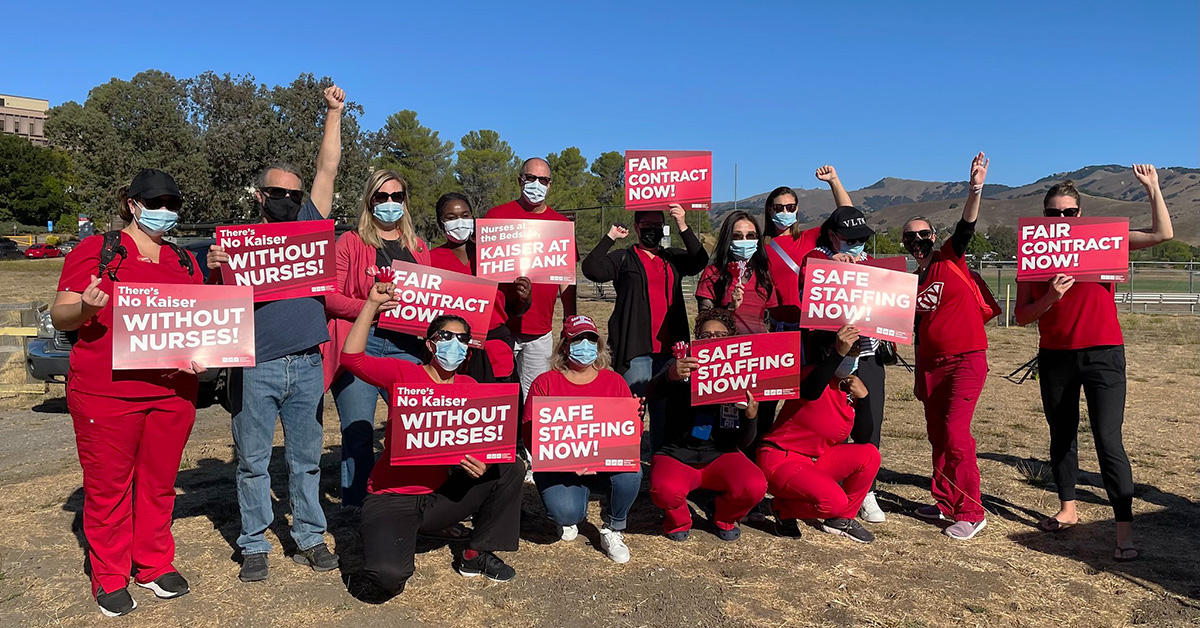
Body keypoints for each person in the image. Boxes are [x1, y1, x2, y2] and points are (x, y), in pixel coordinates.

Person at [206, 85, 345, 583]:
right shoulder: (236, 245)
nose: (286, 199)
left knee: (306, 460)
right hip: (254, 366)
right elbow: (210, 310)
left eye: (293, 192)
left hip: (307, 364)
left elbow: (326, 168)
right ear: (260, 196)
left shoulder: (310, 224)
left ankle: (309, 537)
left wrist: (333, 114)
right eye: (277, 193)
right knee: (252, 462)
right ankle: (253, 544)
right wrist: (214, 266)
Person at [52, 169, 203, 616]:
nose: (164, 211)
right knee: (109, 489)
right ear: (132, 204)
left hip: (173, 394)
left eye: (172, 204)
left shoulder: (184, 261)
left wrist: (207, 353)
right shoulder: (97, 251)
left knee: (159, 486)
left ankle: (153, 564)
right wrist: (84, 306)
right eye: (154, 202)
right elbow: (62, 316)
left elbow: (198, 325)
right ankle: (110, 575)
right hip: (106, 394)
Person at [1015, 165, 1173, 561]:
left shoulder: (1103, 240)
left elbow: (1162, 234)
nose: (1062, 220)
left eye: (1069, 214)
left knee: (1108, 439)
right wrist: (1050, 296)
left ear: (1080, 215)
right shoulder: (1034, 251)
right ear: (1044, 217)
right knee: (1062, 433)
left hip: (1103, 353)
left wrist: (1153, 189)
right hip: (1055, 356)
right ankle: (1068, 508)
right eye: (1054, 214)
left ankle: (1123, 530)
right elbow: (1021, 315)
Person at [342, 283, 524, 597]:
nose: (455, 344)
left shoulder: (469, 385)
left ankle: (475, 553)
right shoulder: (403, 373)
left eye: (462, 338)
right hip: (393, 497)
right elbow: (352, 359)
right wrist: (370, 306)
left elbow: (489, 441)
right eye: (445, 336)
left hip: (440, 496)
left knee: (510, 467)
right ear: (429, 344)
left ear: (469, 347)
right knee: (388, 579)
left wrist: (483, 461)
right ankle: (386, 535)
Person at [324, 168, 433, 513]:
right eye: (381, 197)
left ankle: (413, 499)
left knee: (416, 426)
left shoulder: (418, 247)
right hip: (363, 344)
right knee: (358, 431)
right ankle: (357, 506)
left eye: (396, 197)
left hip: (407, 348)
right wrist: (371, 306)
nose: (389, 203)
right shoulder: (350, 242)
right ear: (370, 201)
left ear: (405, 201)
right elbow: (331, 298)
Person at [904, 152, 995, 540]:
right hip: (930, 363)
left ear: (934, 237)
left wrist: (975, 188)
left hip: (965, 360)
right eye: (911, 237)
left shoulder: (948, 258)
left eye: (924, 234)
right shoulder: (909, 282)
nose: (919, 240)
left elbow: (967, 226)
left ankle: (972, 512)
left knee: (957, 435)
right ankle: (945, 500)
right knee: (937, 436)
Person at [581, 203, 708, 453]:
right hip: (636, 349)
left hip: (671, 350)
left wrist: (683, 224)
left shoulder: (671, 257)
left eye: (657, 226)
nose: (653, 230)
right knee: (633, 408)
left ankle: (661, 458)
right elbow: (592, 269)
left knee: (665, 410)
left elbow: (699, 260)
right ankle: (626, 461)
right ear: (637, 228)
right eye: (647, 226)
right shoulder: (625, 258)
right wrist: (610, 238)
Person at [799, 175, 889, 524]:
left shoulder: (870, 264)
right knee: (828, 424)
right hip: (829, 354)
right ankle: (824, 485)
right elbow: (808, 283)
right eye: (850, 239)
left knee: (870, 422)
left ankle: (866, 491)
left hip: (868, 355)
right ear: (833, 236)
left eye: (862, 239)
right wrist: (831, 268)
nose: (857, 245)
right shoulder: (815, 259)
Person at [524, 316, 645, 563]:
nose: (585, 344)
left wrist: (635, 417)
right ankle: (570, 516)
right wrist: (566, 457)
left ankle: (612, 527)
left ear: (599, 345)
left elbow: (629, 435)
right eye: (578, 339)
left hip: (604, 464)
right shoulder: (545, 383)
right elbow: (529, 436)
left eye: (591, 339)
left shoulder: (614, 381)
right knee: (566, 514)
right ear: (565, 345)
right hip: (560, 466)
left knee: (632, 472)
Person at [648, 308, 768, 542]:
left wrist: (751, 416)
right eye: (705, 336)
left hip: (721, 454)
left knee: (755, 485)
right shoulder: (682, 364)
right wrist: (670, 375)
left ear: (731, 339)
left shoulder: (742, 374)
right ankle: (678, 520)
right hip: (678, 454)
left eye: (720, 336)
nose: (712, 340)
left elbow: (744, 441)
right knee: (664, 489)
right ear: (696, 339)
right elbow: (652, 392)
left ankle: (723, 515)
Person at [757, 325, 880, 544]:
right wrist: (838, 353)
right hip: (781, 459)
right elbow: (811, 391)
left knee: (869, 454)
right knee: (834, 501)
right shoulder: (810, 373)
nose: (849, 358)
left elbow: (862, 438)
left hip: (813, 461)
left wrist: (865, 399)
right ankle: (781, 508)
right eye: (845, 350)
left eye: (854, 353)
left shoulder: (849, 390)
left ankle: (841, 520)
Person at [484, 158, 573, 399]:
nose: (536, 184)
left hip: (540, 332)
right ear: (520, 180)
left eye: (542, 180)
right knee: (498, 394)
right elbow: (483, 273)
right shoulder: (495, 217)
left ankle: (528, 438)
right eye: (531, 178)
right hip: (500, 329)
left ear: (550, 184)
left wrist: (570, 317)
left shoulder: (561, 225)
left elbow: (565, 279)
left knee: (535, 396)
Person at [428, 192, 522, 383]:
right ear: (440, 223)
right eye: (451, 218)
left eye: (465, 215)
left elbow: (515, 308)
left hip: (494, 348)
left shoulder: (494, 253)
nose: (459, 222)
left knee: (499, 407)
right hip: (451, 351)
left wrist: (524, 296)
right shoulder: (430, 259)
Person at [763, 166, 852, 330]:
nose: (784, 211)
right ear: (769, 210)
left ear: (796, 209)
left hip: (811, 327)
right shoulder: (760, 246)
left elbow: (847, 217)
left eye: (790, 207)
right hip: (776, 327)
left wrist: (834, 181)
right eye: (778, 207)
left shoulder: (810, 238)